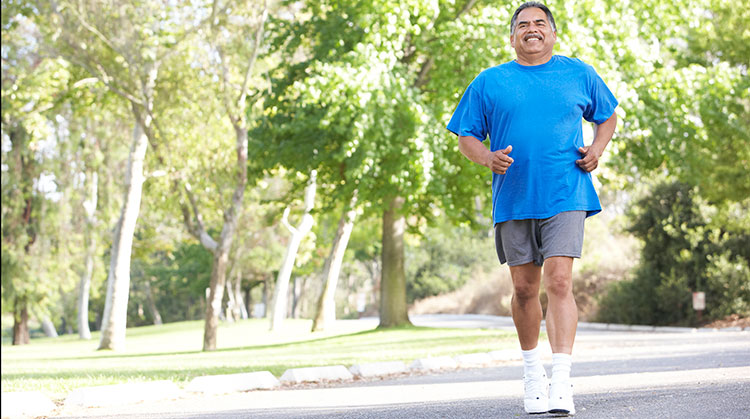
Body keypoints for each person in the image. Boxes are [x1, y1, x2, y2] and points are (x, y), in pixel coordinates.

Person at [446, 1, 618, 415]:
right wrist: (486, 158)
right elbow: (465, 136)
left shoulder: (579, 73)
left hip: (566, 191)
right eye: (523, 25)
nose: (532, 29)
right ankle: (531, 373)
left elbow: (607, 117)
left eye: (540, 23)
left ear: (553, 33)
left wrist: (596, 149)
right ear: (512, 37)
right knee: (524, 289)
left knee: (559, 282)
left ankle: (561, 379)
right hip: (514, 195)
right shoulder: (490, 82)